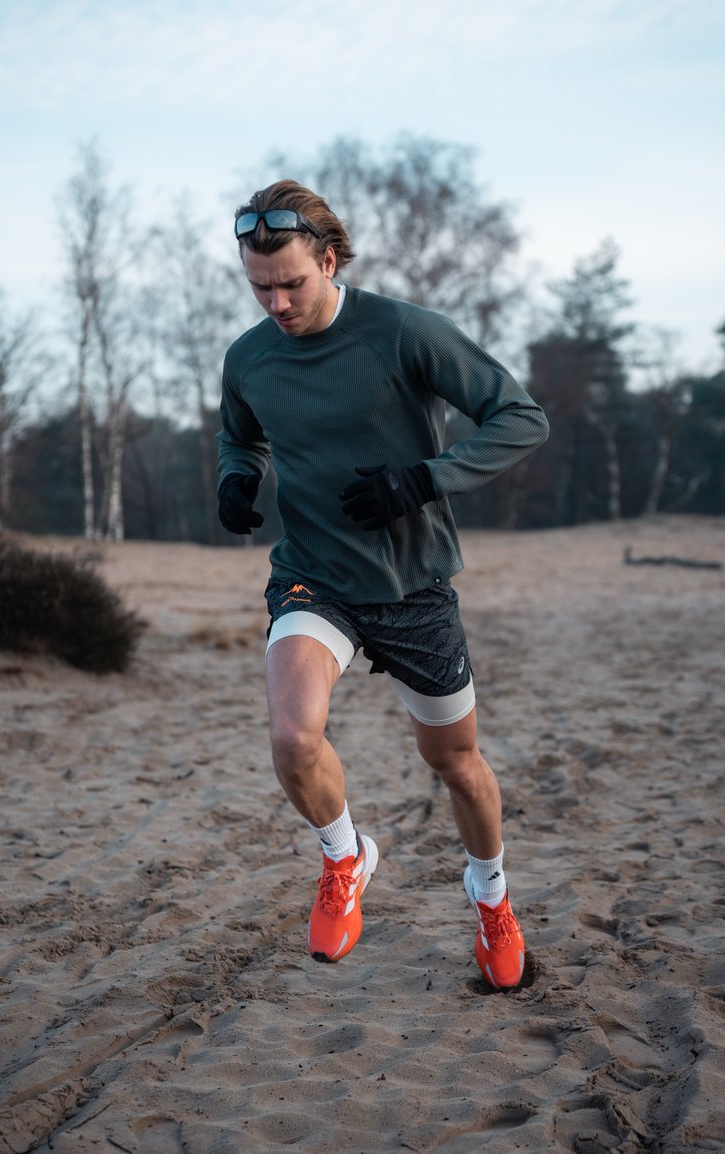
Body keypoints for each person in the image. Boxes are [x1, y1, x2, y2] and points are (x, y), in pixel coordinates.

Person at [217, 179, 549, 989]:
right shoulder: (249, 358)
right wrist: (235, 477)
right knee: (294, 738)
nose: (278, 302)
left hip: (411, 583)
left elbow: (521, 418)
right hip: (313, 576)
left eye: (292, 282)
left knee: (456, 762)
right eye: (261, 287)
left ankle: (492, 900)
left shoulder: (402, 332)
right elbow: (241, 438)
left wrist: (426, 479)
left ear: (328, 260)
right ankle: (345, 859)